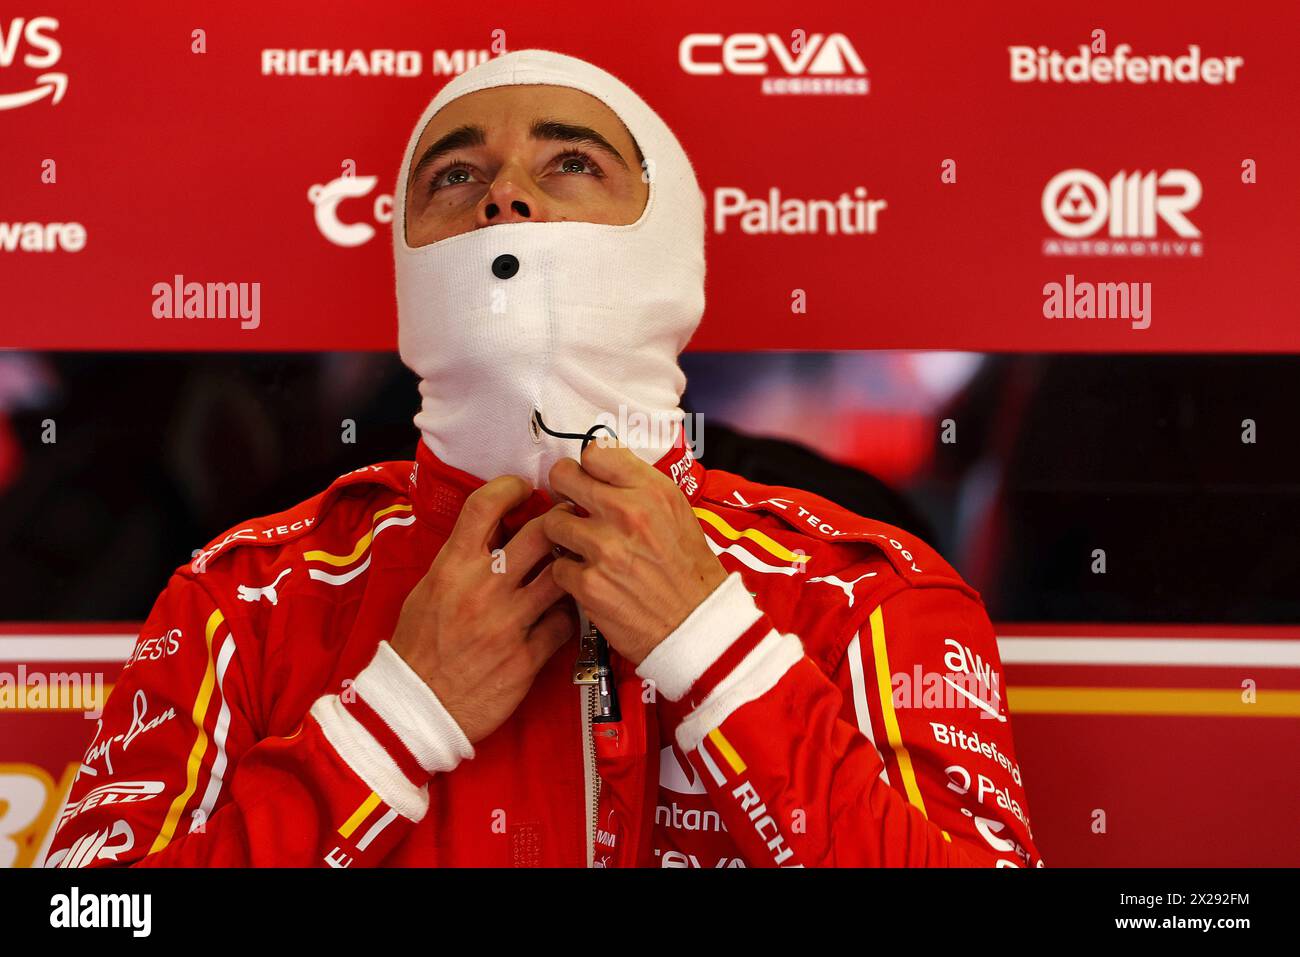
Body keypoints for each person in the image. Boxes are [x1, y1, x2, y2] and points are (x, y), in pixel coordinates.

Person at [46, 50, 1041, 868]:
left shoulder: (863, 598)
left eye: (569, 163)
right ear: (404, 255)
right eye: (455, 174)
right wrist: (393, 719)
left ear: (669, 249)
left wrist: (717, 656)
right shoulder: (245, 603)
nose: (504, 199)